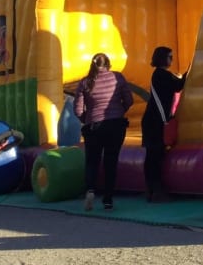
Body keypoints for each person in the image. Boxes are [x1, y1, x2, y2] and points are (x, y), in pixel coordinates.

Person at [72, 52, 133, 211]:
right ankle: (108, 200)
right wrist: (119, 111)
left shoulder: (85, 82)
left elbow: (78, 109)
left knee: (92, 160)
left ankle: (90, 189)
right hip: (115, 125)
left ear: (92, 65)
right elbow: (129, 100)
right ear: (109, 64)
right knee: (111, 161)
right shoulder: (118, 77)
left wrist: (87, 119)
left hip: (94, 127)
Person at [142, 46, 187, 202]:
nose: (171, 60)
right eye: (170, 57)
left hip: (151, 120)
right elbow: (179, 85)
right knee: (155, 157)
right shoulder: (162, 75)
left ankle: (150, 190)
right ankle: (156, 191)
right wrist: (190, 71)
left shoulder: (158, 75)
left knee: (152, 156)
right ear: (162, 59)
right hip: (156, 122)